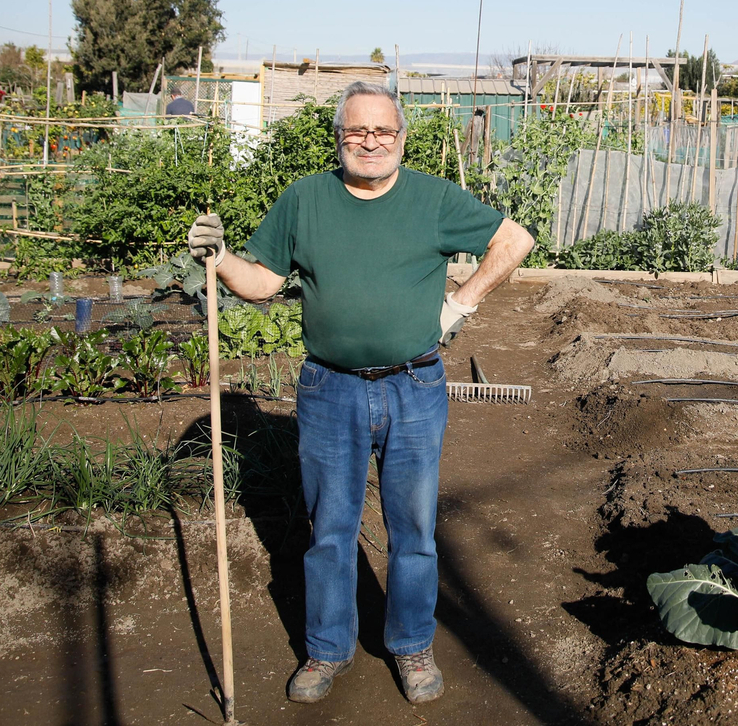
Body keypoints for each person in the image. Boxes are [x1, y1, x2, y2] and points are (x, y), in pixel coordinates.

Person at [187, 81, 533, 706]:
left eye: (383, 131)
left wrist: (459, 305)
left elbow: (514, 241)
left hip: (414, 386)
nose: (369, 142)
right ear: (339, 137)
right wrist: (219, 258)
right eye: (356, 131)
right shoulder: (306, 200)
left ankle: (411, 646)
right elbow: (262, 281)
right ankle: (326, 649)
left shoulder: (431, 199)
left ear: (401, 138)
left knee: (414, 529)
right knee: (330, 529)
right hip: (329, 390)